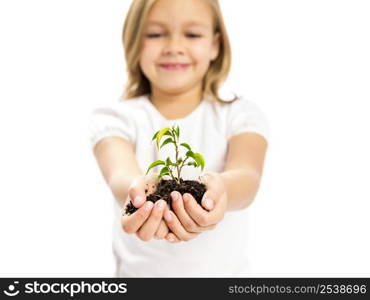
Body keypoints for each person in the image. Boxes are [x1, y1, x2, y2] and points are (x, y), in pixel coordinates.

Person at [87, 0, 269, 277]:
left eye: (192, 34)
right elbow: (120, 176)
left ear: (215, 45)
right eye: (155, 34)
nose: (174, 46)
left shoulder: (239, 114)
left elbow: (247, 176)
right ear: (133, 41)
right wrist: (139, 195)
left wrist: (221, 191)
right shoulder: (115, 117)